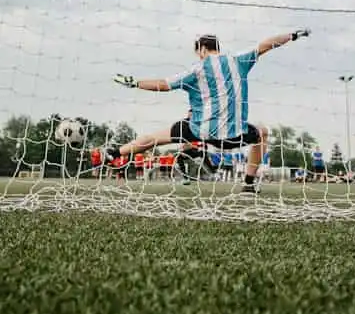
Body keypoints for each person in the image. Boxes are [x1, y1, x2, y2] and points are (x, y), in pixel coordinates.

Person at [101, 29, 310, 193]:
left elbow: (163, 85)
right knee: (262, 132)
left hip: (200, 132)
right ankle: (248, 184)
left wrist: (136, 83)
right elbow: (266, 45)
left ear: (201, 50)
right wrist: (292, 35)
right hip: (233, 136)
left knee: (154, 138)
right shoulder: (239, 60)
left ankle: (115, 153)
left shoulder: (196, 70)